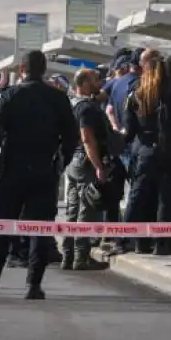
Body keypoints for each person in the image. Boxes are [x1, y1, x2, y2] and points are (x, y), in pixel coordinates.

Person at [0, 50, 78, 299]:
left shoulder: (10, 97)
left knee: (2, 227)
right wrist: (60, 163)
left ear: (21, 69)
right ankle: (33, 285)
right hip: (44, 171)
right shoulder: (58, 99)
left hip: (11, 171)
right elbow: (71, 137)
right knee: (40, 230)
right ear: (43, 70)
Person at [118, 50, 171, 256]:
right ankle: (162, 243)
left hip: (144, 150)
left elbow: (129, 129)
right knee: (166, 198)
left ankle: (131, 240)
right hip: (169, 150)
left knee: (139, 197)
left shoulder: (137, 91)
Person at [62, 68, 114, 270]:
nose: (98, 83)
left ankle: (68, 255)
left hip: (73, 162)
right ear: (83, 84)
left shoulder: (72, 104)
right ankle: (80, 257)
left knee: (72, 211)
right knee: (86, 210)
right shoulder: (85, 108)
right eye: (94, 80)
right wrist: (98, 166)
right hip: (85, 162)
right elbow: (87, 138)